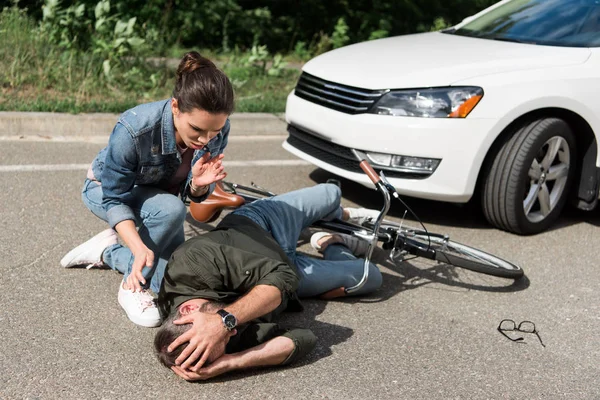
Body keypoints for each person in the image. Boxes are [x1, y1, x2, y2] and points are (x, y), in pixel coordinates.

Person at [59, 51, 235, 328]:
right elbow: (113, 197)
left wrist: (199, 187)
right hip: (105, 191)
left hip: (160, 201)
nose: (205, 140)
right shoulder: (134, 127)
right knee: (169, 210)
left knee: (180, 277)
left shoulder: (216, 129)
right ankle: (132, 287)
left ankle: (108, 251)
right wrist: (138, 245)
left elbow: (190, 195)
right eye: (197, 130)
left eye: (214, 132)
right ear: (176, 107)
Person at [154, 183, 382, 381]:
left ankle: (338, 215)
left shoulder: (193, 262)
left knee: (331, 193)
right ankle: (332, 242)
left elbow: (280, 276)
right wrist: (232, 362)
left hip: (264, 227)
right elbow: (303, 339)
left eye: (220, 334)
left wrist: (224, 321)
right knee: (370, 276)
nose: (232, 334)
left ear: (189, 309)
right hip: (288, 273)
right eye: (224, 341)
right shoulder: (214, 340)